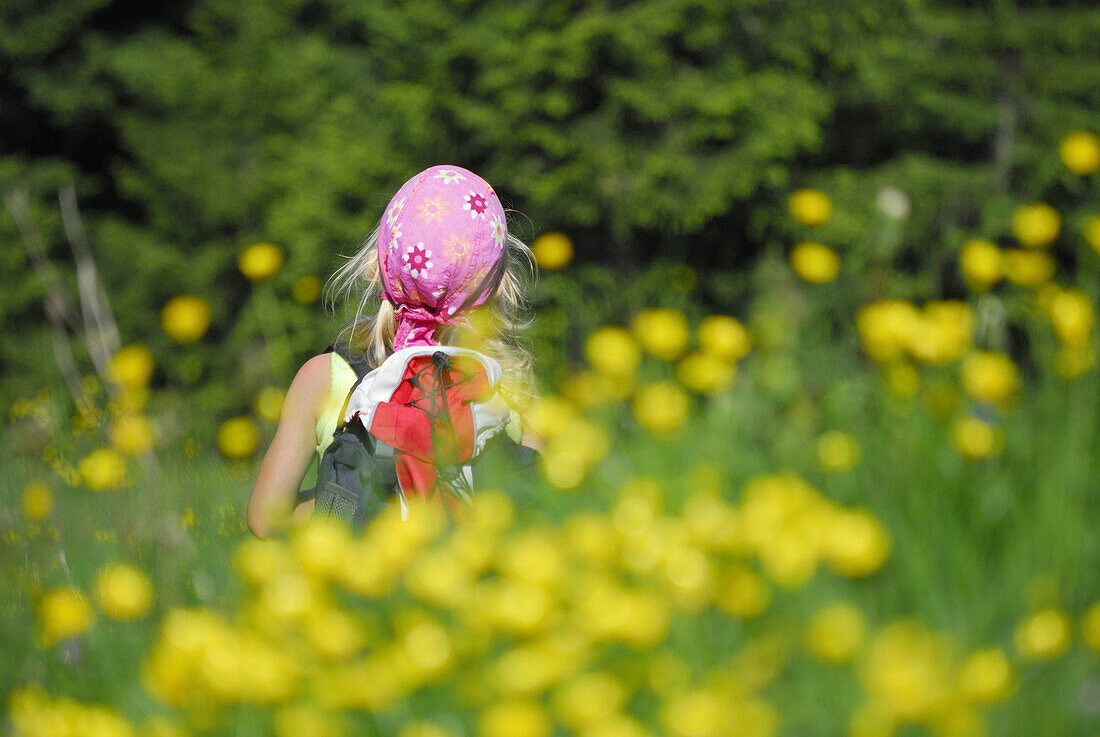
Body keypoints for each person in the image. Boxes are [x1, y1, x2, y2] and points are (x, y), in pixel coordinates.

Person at [247, 165, 539, 539]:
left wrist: (348, 505)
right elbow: (541, 512)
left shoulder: (325, 378)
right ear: (498, 287)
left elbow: (265, 519)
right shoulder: (508, 390)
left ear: (375, 265)